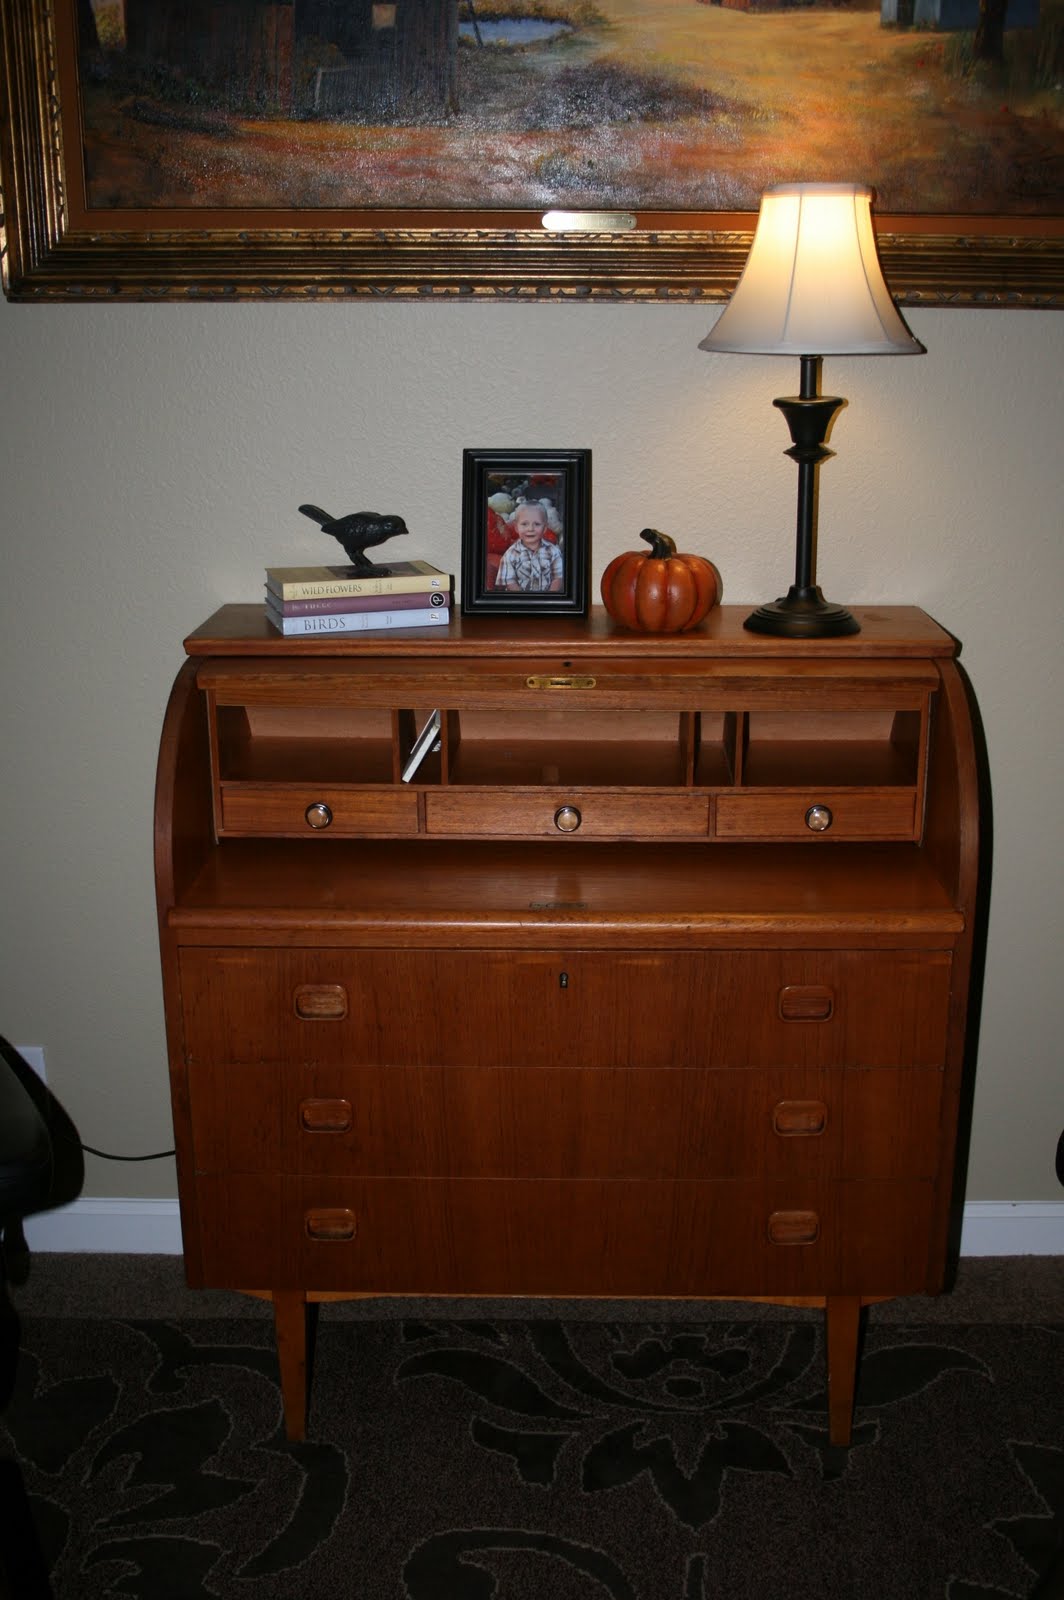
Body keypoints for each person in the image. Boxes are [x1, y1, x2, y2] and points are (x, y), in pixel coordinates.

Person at [494, 500, 564, 593]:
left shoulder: (554, 552)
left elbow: (558, 578)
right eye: (524, 524)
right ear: (516, 527)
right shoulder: (510, 554)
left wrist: (548, 597)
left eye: (537, 524)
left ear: (545, 528)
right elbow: (510, 582)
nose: (530, 529)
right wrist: (525, 599)